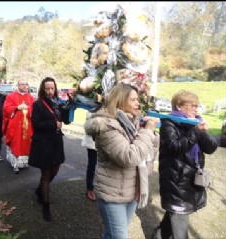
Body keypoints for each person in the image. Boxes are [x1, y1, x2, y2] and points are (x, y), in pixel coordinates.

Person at [84, 83, 160, 239]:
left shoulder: (132, 123)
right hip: (112, 194)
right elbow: (129, 158)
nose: (138, 103)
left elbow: (148, 152)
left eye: (137, 99)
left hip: (131, 190)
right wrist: (147, 132)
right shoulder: (106, 126)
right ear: (119, 101)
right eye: (133, 100)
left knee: (111, 234)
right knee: (119, 236)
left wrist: (151, 133)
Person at [154, 90, 217, 239]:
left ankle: (158, 236)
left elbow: (211, 148)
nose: (196, 109)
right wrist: (195, 131)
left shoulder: (195, 122)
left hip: (190, 179)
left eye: (197, 106)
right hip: (176, 179)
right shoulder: (169, 123)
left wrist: (200, 130)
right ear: (179, 106)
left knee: (175, 213)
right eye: (192, 105)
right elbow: (175, 147)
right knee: (179, 217)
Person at [28, 77, 71, 222]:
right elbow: (36, 123)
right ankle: (45, 205)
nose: (50, 91)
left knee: (55, 170)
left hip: (57, 142)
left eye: (52, 88)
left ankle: (40, 190)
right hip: (44, 143)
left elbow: (66, 120)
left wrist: (69, 105)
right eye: (47, 88)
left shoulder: (59, 102)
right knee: (46, 173)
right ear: (43, 89)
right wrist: (54, 124)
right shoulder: (38, 104)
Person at [3, 79, 34, 173]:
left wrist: (31, 112)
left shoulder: (30, 97)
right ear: (18, 85)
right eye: (22, 84)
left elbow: (33, 109)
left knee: (26, 143)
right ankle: (15, 165)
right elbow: (6, 108)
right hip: (15, 126)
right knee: (16, 143)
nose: (25, 86)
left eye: (26, 84)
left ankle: (24, 163)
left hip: (27, 125)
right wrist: (17, 108)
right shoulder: (11, 96)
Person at [81, 111, 98, 202]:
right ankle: (90, 188)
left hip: (109, 142)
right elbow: (88, 126)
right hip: (94, 143)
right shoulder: (93, 110)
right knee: (92, 165)